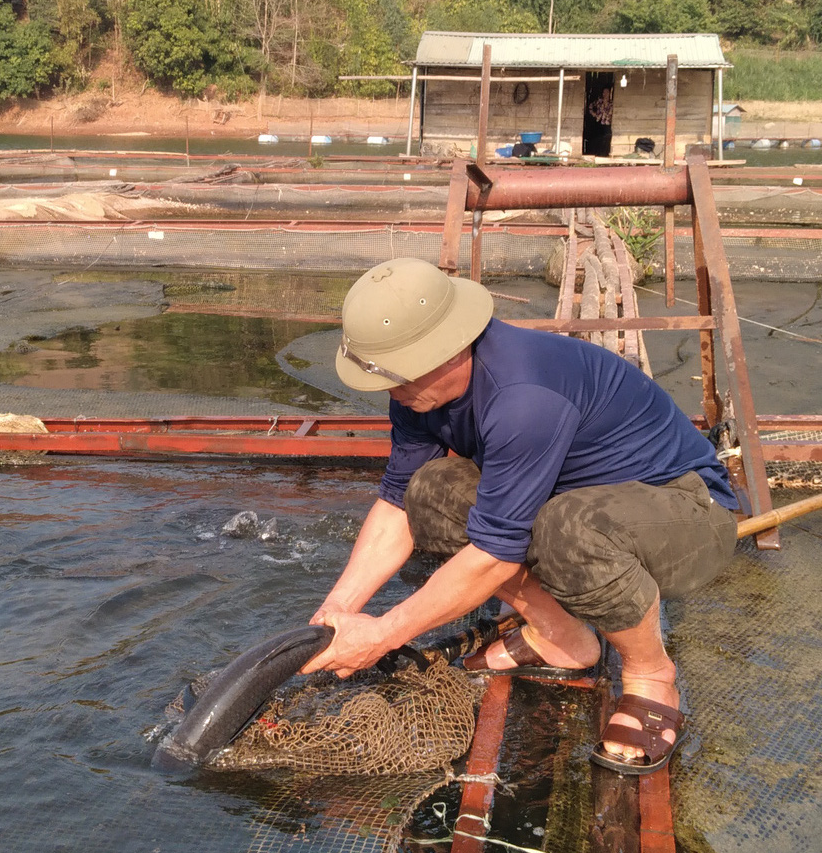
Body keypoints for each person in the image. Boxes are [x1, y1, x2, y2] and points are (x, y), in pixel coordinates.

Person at [300, 257, 739, 773]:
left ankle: (649, 673)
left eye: (396, 378)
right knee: (431, 492)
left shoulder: (522, 397)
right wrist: (339, 611)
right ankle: (563, 637)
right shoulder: (416, 392)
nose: (390, 394)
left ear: (448, 350)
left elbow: (492, 557)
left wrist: (382, 635)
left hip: (686, 513)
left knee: (569, 531)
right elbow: (397, 502)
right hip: (573, 506)